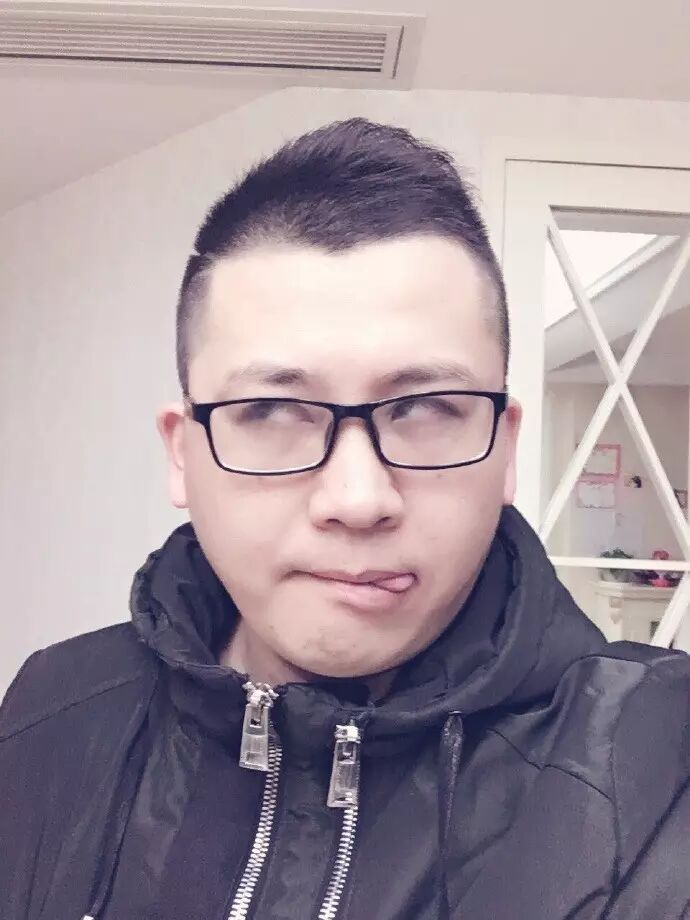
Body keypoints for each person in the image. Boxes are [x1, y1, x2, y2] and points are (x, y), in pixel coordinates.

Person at [1, 118, 689, 920]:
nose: (359, 500)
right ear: (182, 455)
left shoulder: (656, 768)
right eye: (270, 411)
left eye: (427, 408)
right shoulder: (52, 712)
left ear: (505, 449)